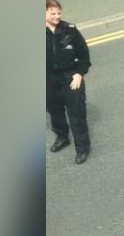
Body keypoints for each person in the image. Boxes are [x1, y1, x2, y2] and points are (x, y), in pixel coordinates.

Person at [46, 0, 92, 165]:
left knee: (76, 114)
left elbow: (84, 55)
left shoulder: (70, 30)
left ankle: (82, 147)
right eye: (53, 13)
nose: (57, 16)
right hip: (48, 80)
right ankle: (62, 136)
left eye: (59, 13)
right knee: (55, 112)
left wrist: (79, 73)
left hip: (70, 78)